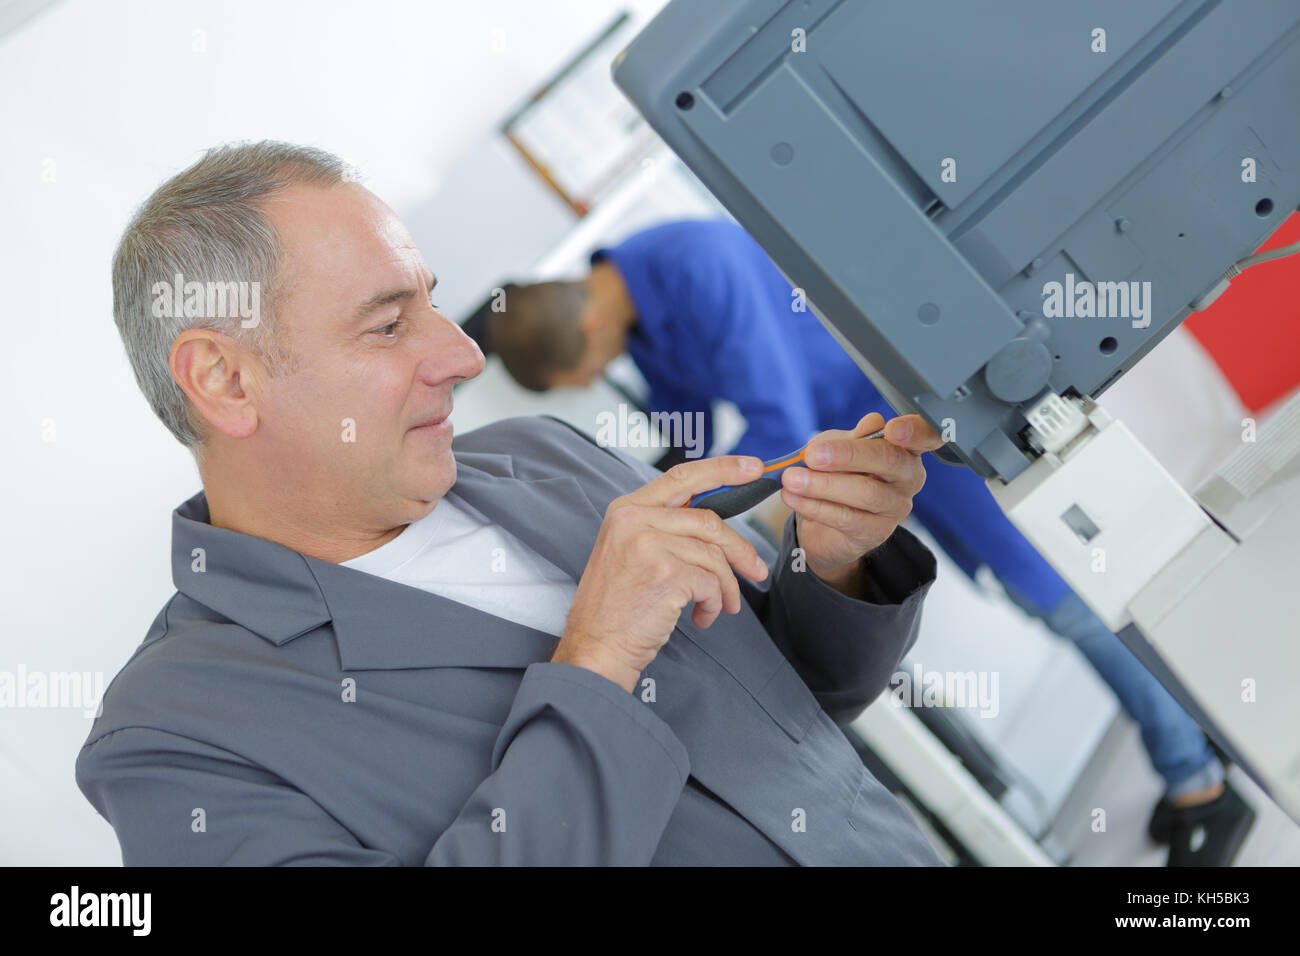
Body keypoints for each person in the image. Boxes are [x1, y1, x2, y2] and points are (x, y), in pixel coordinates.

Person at [77, 142, 952, 866]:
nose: (461, 353)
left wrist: (832, 560)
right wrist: (598, 660)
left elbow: (793, 714)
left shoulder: (538, 456)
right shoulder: (177, 737)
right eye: (387, 325)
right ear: (226, 380)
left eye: (429, 303)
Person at [490, 218, 1256, 866]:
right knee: (1036, 600)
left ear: (586, 330)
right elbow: (689, 443)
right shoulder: (638, 322)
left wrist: (699, 531)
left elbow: (776, 426)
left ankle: (1200, 784)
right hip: (865, 453)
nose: (597, 376)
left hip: (913, 416)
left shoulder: (697, 263)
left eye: (582, 373)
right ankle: (1192, 747)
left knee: (1059, 598)